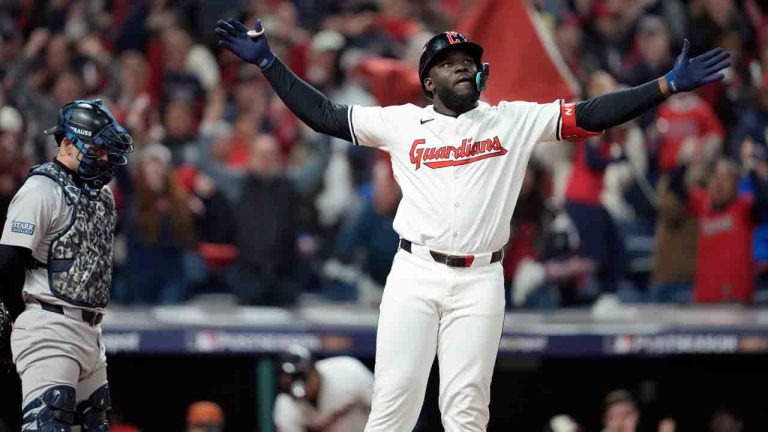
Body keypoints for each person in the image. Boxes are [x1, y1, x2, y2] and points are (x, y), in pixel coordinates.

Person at [216, 17, 730, 431]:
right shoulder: (401, 122)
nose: (461, 67)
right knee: (392, 408)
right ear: (428, 80)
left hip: (481, 279)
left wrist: (663, 86)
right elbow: (325, 113)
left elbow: (592, 114)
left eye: (468, 61)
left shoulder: (511, 118)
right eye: (448, 62)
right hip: (414, 274)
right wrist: (269, 63)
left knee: (466, 414)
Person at [0, 99, 133, 431]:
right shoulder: (40, 189)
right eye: (99, 149)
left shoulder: (101, 195)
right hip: (49, 324)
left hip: (91, 331)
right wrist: (20, 318)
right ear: (67, 142)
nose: (105, 158)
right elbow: (8, 261)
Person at [273, 346, 373, 432]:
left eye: (300, 376)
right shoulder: (285, 407)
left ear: (313, 369)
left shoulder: (349, 371)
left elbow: (384, 407)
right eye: (289, 380)